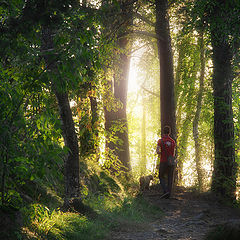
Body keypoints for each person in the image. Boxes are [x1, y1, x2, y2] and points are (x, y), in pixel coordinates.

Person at [156, 125, 176, 198]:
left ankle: (165, 191)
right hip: (171, 162)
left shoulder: (160, 141)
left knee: (161, 176)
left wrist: (162, 153)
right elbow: (173, 153)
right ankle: (169, 194)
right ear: (169, 132)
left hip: (163, 161)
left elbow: (157, 151)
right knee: (170, 178)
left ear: (163, 132)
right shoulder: (173, 141)